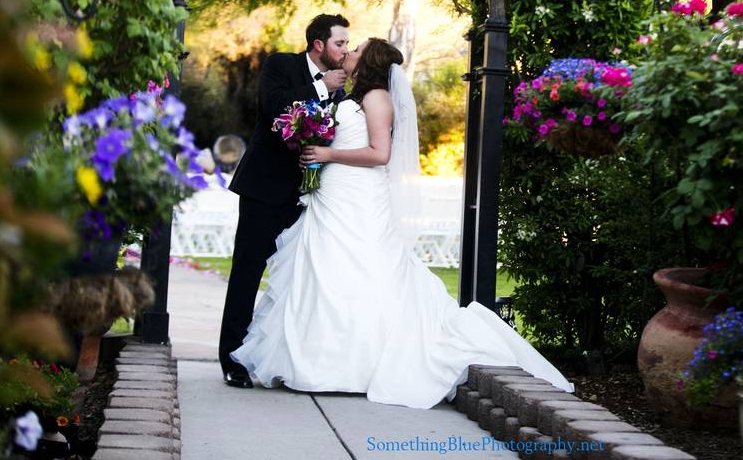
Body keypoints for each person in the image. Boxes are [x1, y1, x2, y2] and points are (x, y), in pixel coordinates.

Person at [230, 38, 574, 408]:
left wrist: (328, 152)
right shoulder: (349, 97)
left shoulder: (377, 97)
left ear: (370, 60)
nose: (348, 52)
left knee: (359, 271)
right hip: (334, 195)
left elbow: (381, 153)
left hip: (358, 199)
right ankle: (312, 361)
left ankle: (354, 364)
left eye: (356, 48)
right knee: (323, 271)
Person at [220, 14, 350, 389]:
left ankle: (282, 358)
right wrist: (321, 88)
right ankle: (232, 359)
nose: (344, 50)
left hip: (306, 197)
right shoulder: (282, 64)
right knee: (247, 274)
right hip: (264, 190)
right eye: (340, 43)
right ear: (318, 45)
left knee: (297, 281)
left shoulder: (341, 92)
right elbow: (273, 107)